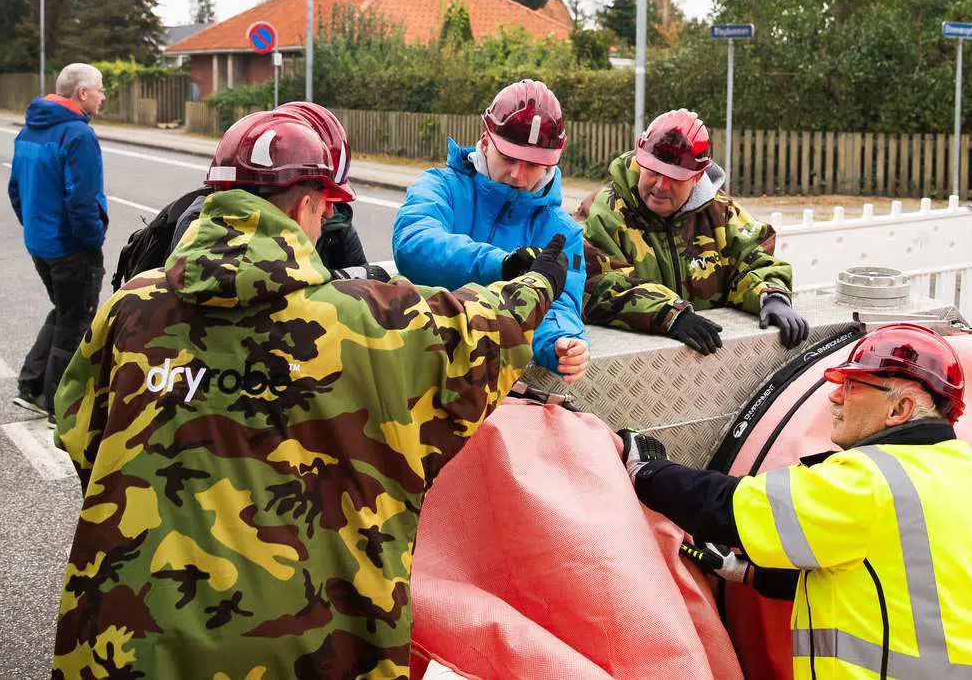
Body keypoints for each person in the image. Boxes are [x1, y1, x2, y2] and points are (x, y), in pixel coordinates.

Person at [52, 109, 571, 679]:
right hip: (311, 640)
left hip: (127, 638)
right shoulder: (368, 321)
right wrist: (540, 280)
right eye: (327, 208)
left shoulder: (130, 308)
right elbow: (483, 330)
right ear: (308, 205)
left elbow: (80, 433)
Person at [619, 323, 972, 679]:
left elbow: (729, 508)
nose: (834, 398)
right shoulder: (962, 468)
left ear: (901, 409)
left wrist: (647, 472)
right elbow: (887, 577)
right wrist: (748, 573)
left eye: (853, 386)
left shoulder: (870, 480)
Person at [392, 79, 590, 382]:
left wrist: (561, 343)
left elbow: (559, 303)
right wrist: (503, 265)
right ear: (486, 141)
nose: (517, 174)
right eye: (509, 158)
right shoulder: (439, 187)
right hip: (421, 363)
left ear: (551, 164)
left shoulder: (563, 232)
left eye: (533, 165)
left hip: (500, 381)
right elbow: (414, 244)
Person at [577, 108, 809, 356]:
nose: (661, 186)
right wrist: (669, 314)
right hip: (628, 360)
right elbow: (593, 284)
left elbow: (754, 259)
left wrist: (771, 296)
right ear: (639, 160)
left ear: (698, 177)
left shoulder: (721, 212)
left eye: (675, 178)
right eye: (654, 171)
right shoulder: (602, 213)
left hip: (711, 359)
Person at [107, 100, 384, 288]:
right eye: (324, 199)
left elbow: (362, 289)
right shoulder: (199, 225)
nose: (329, 212)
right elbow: (242, 294)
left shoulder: (337, 226)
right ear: (304, 202)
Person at [8, 62, 107, 419]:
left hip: (41, 243)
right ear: (82, 93)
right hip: (70, 246)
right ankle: (59, 403)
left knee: (64, 311)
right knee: (77, 318)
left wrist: (34, 227)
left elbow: (15, 190)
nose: (103, 95)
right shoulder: (77, 136)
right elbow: (82, 199)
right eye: (99, 89)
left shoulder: (30, 131)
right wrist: (92, 240)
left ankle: (32, 385)